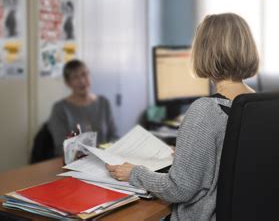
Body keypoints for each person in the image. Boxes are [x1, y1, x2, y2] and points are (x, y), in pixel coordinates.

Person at [106, 13, 259, 221]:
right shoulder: (258, 104)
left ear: (204, 53)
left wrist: (135, 173)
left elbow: (179, 189)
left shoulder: (205, 110)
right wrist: (190, 154)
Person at [48, 59, 118, 156]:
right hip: (75, 164)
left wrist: (106, 151)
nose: (82, 81)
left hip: (105, 161)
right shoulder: (60, 109)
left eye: (84, 74)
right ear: (68, 83)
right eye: (75, 77)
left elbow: (114, 137)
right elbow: (61, 147)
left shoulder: (104, 103)